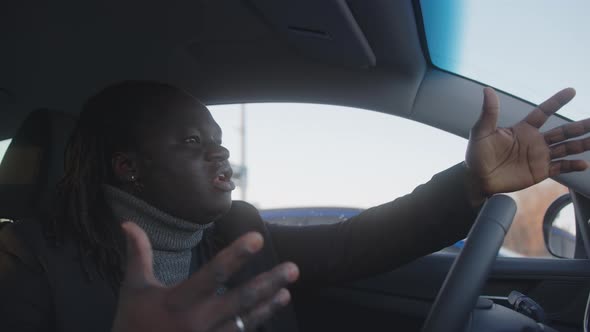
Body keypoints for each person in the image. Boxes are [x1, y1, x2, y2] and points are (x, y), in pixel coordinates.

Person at [0, 81, 588, 332]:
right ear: (129, 166)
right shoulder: (27, 262)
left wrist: (471, 183)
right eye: (193, 143)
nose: (221, 152)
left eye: (219, 138)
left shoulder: (239, 232)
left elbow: (359, 243)